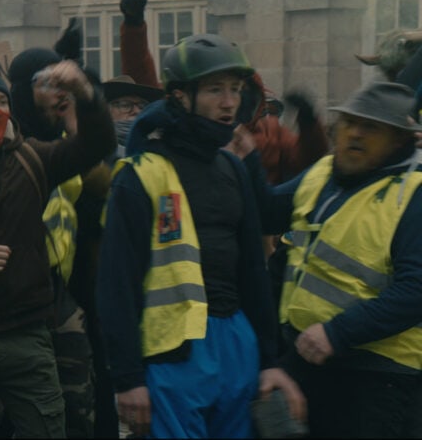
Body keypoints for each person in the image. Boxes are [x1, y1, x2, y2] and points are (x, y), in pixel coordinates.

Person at [98, 34, 304, 438]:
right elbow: (115, 284)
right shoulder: (139, 173)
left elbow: (253, 273)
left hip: (236, 347)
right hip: (173, 355)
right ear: (179, 96)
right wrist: (127, 377)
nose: (229, 103)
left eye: (235, 90)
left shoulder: (234, 168)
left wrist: (268, 360)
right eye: (214, 90)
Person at [0, 69, 114, 439]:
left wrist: (86, 93)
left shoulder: (35, 157)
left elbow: (96, 144)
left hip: (28, 334)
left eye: (2, 101)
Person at [246, 81, 421, 438]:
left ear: (400, 140)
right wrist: (247, 156)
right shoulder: (324, 172)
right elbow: (264, 214)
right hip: (308, 361)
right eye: (348, 122)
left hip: (379, 378)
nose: (355, 134)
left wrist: (337, 333)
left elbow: (416, 290)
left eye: (371, 127)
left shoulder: (414, 195)